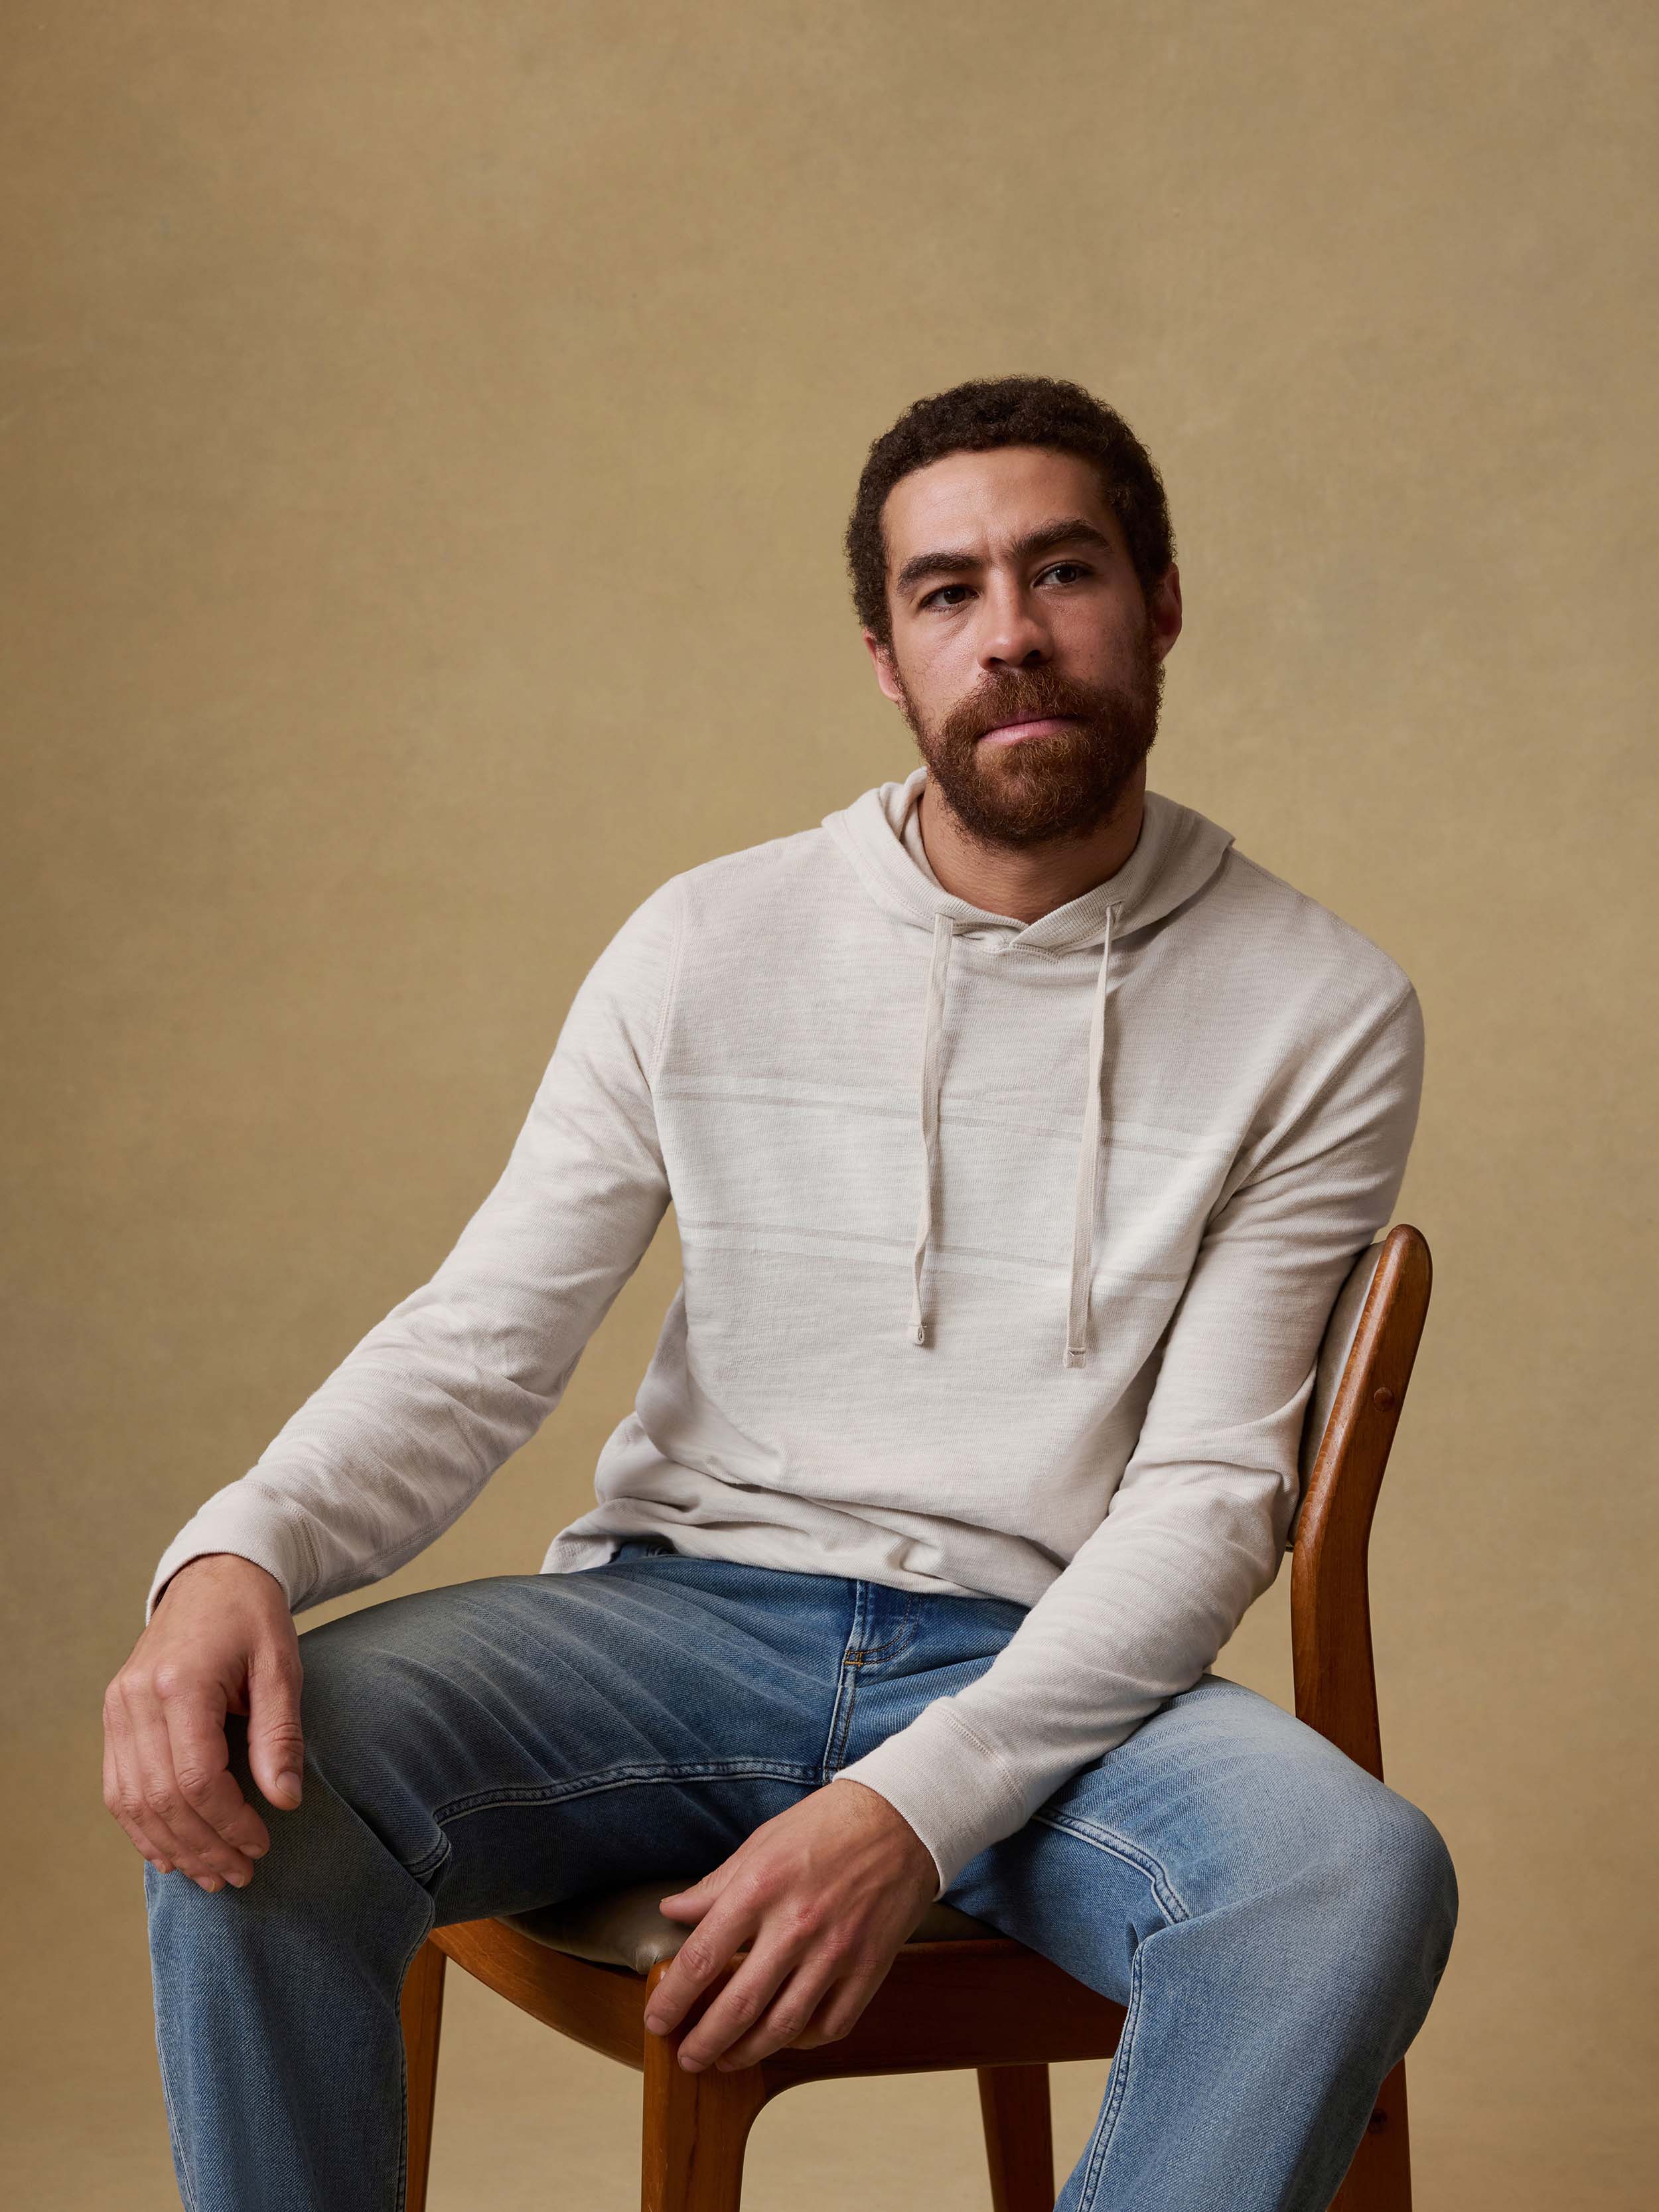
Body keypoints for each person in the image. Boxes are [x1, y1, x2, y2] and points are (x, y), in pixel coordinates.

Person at [104, 374, 1457, 2212]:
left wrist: (911, 1808)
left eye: (1061, 572)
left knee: (1343, 1876)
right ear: (887, 659)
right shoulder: (705, 942)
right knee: (255, 1765)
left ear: (1156, 602)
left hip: (1055, 1665)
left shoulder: (1318, 1004)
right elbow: (485, 1337)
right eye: (945, 592)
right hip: (675, 1627)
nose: (1011, 636)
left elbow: (1212, 1490)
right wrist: (236, 1550)